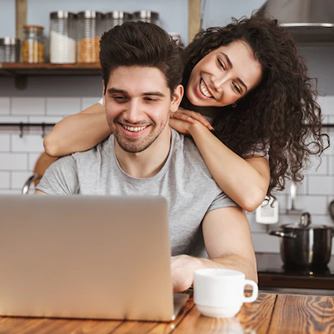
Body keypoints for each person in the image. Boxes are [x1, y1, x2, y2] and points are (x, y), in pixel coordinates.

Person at [35, 21, 257, 292]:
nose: (133, 114)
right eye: (120, 97)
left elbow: (245, 274)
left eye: (150, 99)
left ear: (175, 99)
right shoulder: (73, 171)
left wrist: (193, 267)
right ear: (104, 92)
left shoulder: (209, 176)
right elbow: (24, 256)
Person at [43, 13, 328, 212]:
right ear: (210, 48)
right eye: (221, 64)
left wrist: (195, 129)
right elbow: (55, 143)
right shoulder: (153, 79)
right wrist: (154, 112)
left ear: (242, 100)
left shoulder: (247, 132)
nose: (217, 82)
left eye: (236, 86)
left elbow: (252, 196)